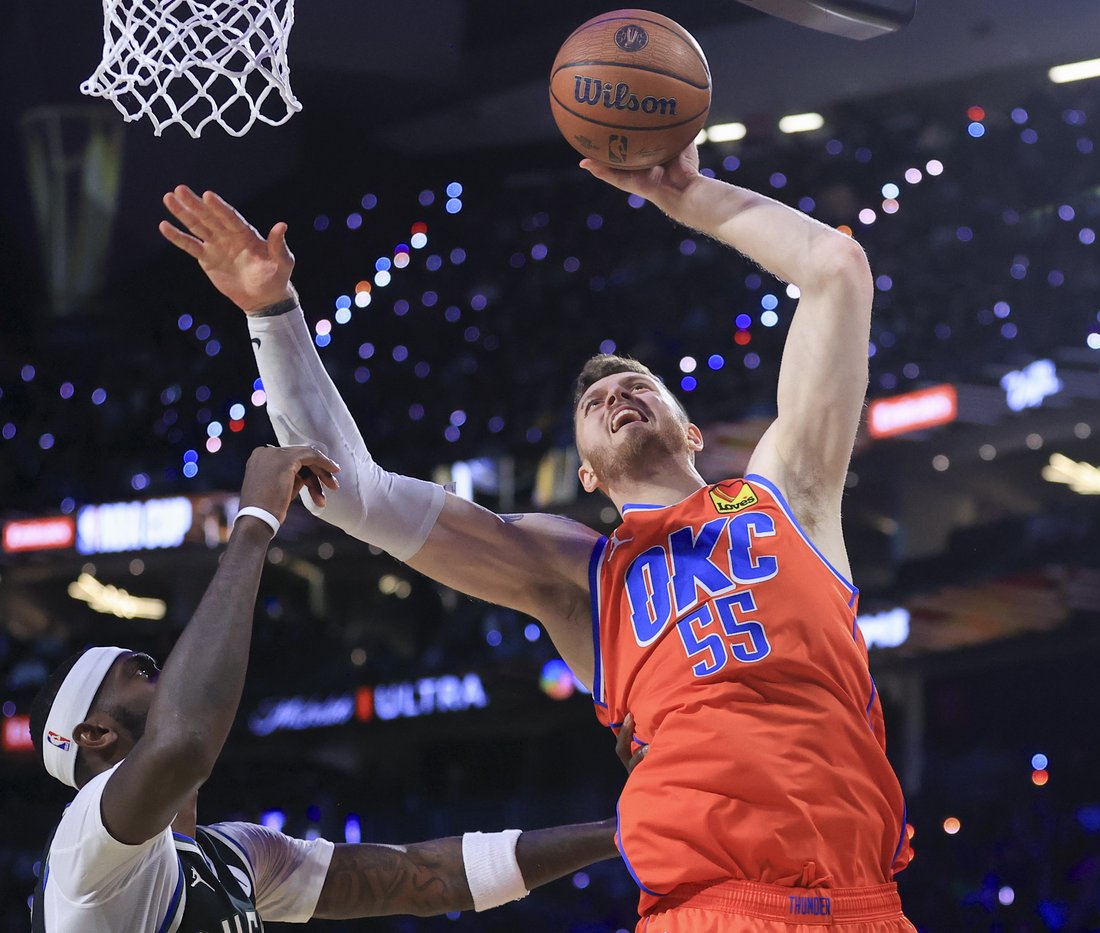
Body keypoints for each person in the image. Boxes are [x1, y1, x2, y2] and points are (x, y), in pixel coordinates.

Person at [159, 141, 915, 931]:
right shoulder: (577, 574)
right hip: (710, 905)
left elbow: (836, 270)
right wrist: (271, 312)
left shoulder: (787, 496)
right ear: (586, 474)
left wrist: (686, 193)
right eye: (594, 402)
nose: (615, 392)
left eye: (636, 385)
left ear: (692, 433)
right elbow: (356, 491)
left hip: (866, 901)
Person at [28, 444, 619, 932]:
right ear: (96, 733)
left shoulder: (232, 855)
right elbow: (182, 742)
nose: (174, 678)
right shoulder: (84, 846)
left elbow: (420, 877)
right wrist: (255, 522)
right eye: (147, 674)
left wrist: (619, 833)